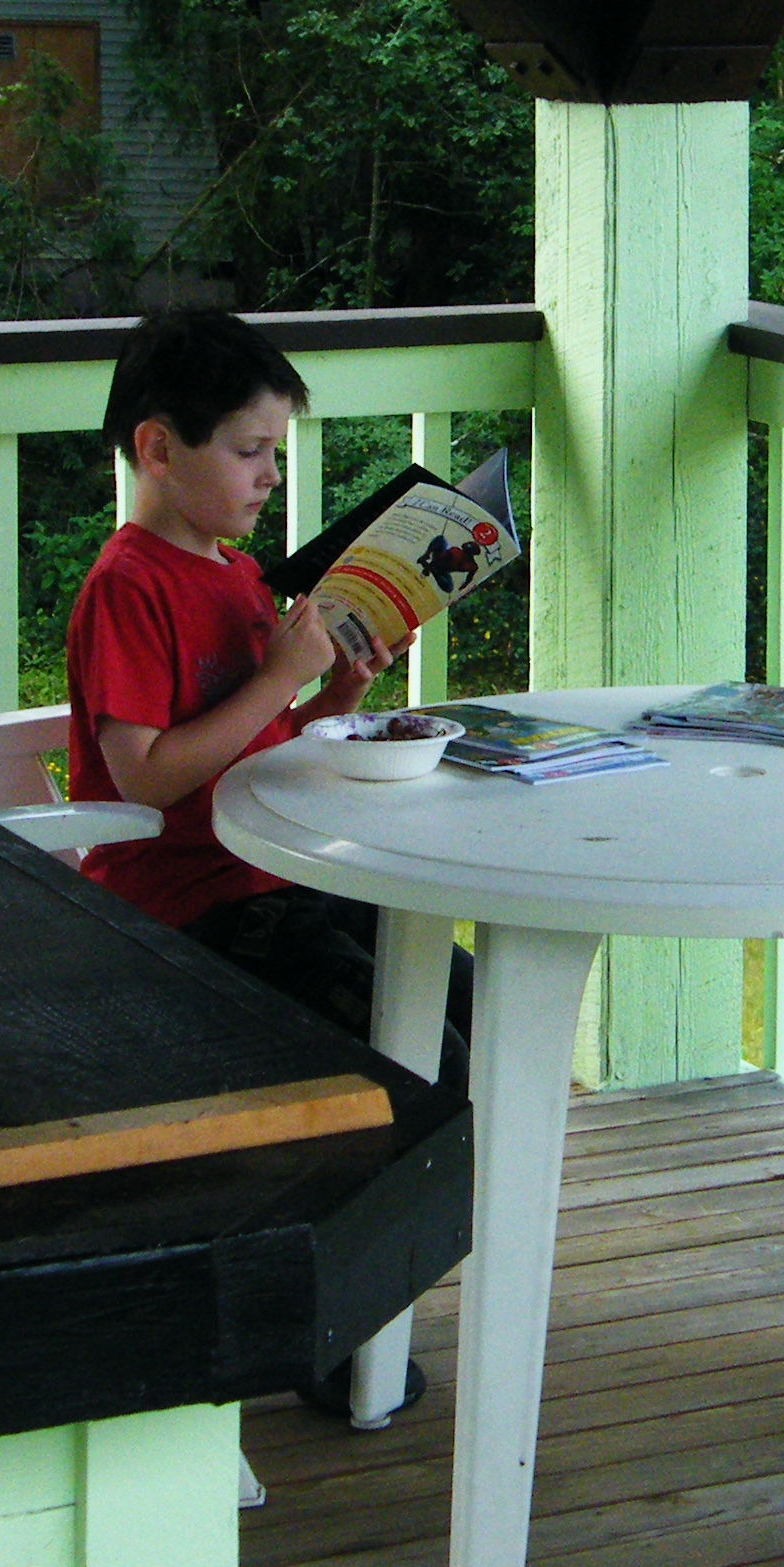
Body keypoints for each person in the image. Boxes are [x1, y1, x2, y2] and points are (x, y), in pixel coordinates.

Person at [66, 308, 477, 1066]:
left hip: (281, 872)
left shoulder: (241, 576)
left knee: (477, 1004)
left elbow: (257, 742)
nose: (272, 475)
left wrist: (337, 695)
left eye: (275, 451)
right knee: (428, 1056)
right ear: (158, 449)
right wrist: (281, 676)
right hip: (187, 909)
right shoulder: (128, 588)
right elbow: (145, 779)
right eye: (249, 450)